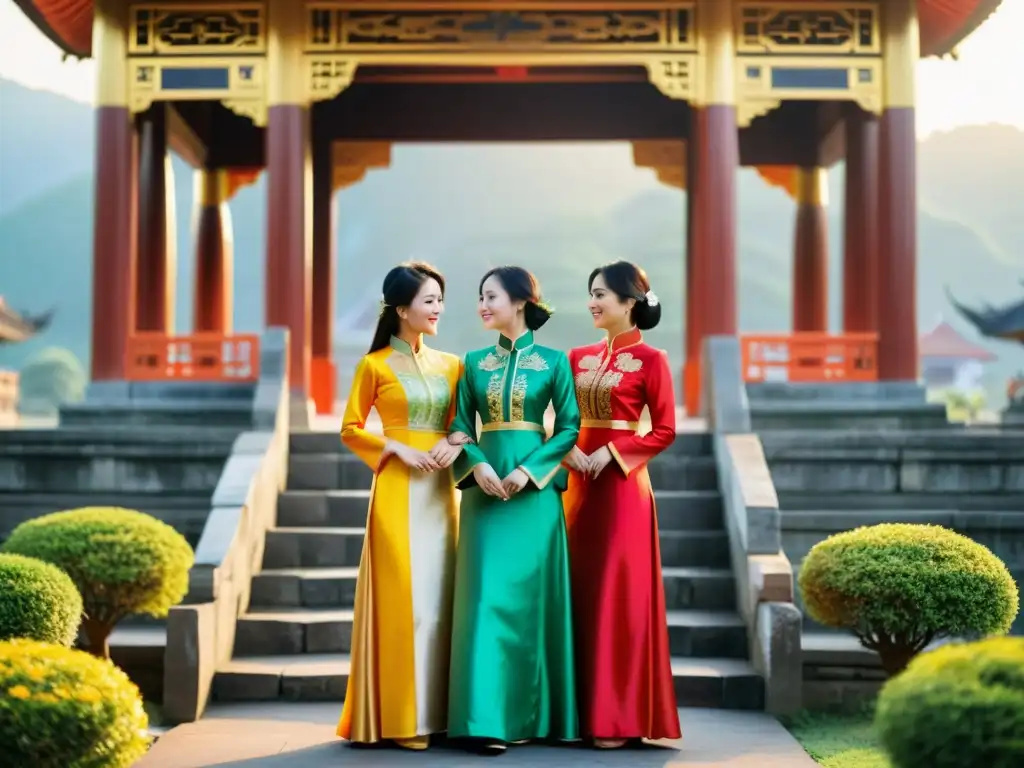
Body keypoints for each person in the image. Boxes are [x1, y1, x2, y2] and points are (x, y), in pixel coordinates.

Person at [446, 266, 581, 754]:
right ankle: (483, 720)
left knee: (531, 604)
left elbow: (568, 428)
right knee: (484, 601)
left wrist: (528, 472)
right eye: (480, 297)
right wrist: (477, 464)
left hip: (534, 494)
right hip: (484, 495)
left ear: (520, 301)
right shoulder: (473, 361)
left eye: (490, 296)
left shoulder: (553, 362)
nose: (482, 305)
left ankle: (538, 718)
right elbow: (461, 424)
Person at [336, 262, 467, 751]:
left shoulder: (452, 364)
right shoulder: (373, 366)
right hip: (396, 489)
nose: (438, 309)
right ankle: (401, 717)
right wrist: (394, 448)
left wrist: (454, 440)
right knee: (404, 602)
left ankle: (442, 714)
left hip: (441, 492)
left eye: (440, 299)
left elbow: (463, 422)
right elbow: (350, 428)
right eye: (429, 300)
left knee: (441, 601)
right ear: (401, 309)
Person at [562, 260, 681, 748]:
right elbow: (564, 417)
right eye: (590, 293)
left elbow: (665, 429)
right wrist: (566, 447)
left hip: (622, 490)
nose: (592, 302)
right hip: (577, 487)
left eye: (602, 294)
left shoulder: (653, 360)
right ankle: (574, 714)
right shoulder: (576, 356)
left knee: (617, 597)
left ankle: (616, 718)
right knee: (577, 590)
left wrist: (614, 453)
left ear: (630, 302)